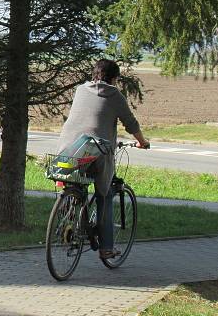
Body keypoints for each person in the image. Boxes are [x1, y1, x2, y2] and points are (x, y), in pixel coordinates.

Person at [57, 59, 150, 260]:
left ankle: (70, 214)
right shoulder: (114, 94)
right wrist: (142, 142)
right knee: (105, 195)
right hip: (97, 150)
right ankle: (106, 247)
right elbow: (131, 124)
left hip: (69, 148)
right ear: (114, 78)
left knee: (72, 182)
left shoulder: (81, 89)